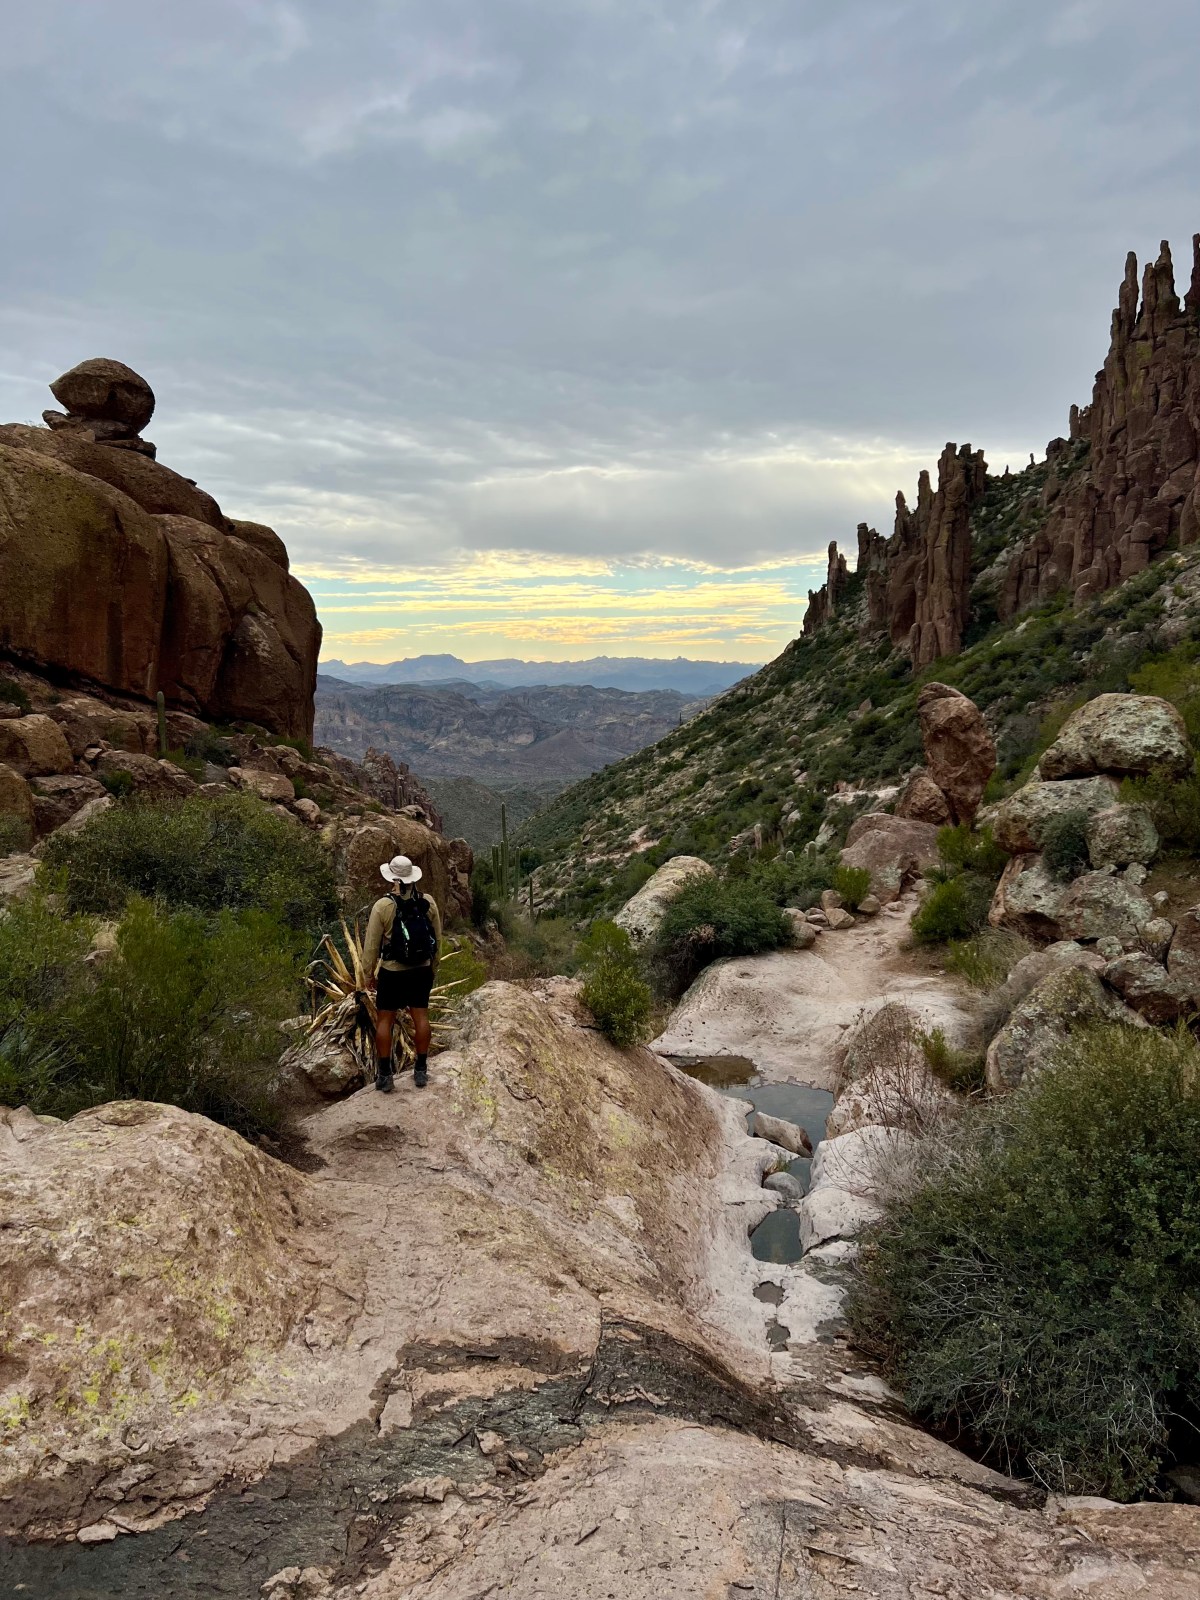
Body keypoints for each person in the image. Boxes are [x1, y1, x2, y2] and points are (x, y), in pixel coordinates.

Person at [362, 853, 442, 1092]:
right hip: (421, 971)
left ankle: (385, 1075)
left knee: (385, 1020)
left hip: (392, 973)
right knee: (421, 1018)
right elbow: (437, 939)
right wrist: (433, 967)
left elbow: (371, 946)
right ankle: (420, 1070)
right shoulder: (428, 902)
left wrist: (368, 975)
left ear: (392, 878)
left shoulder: (383, 906)